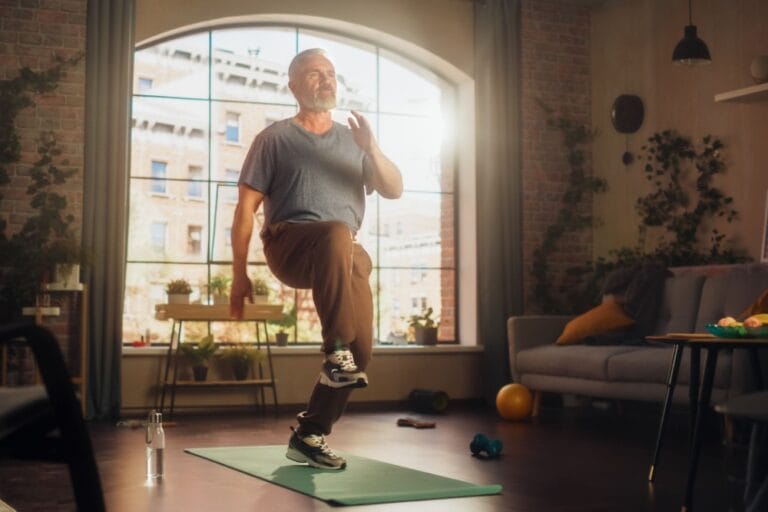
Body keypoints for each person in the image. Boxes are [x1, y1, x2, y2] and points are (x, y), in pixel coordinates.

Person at [229, 48, 403, 470]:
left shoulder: (353, 141)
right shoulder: (274, 139)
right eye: (313, 74)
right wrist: (239, 274)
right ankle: (334, 349)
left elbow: (394, 188)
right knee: (336, 234)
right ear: (293, 86)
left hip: (344, 254)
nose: (325, 80)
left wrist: (372, 147)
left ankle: (310, 432)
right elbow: (244, 209)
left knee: (361, 355)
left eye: (330, 74)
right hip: (290, 244)